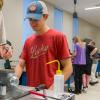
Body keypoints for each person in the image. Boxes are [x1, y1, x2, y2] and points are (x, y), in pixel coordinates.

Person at [15, 1, 73, 89]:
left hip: (51, 92)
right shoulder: (28, 41)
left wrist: (53, 88)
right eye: (30, 19)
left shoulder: (58, 37)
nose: (32, 23)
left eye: (35, 19)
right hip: (32, 91)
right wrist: (13, 80)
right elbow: (20, 64)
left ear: (46, 16)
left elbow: (68, 67)